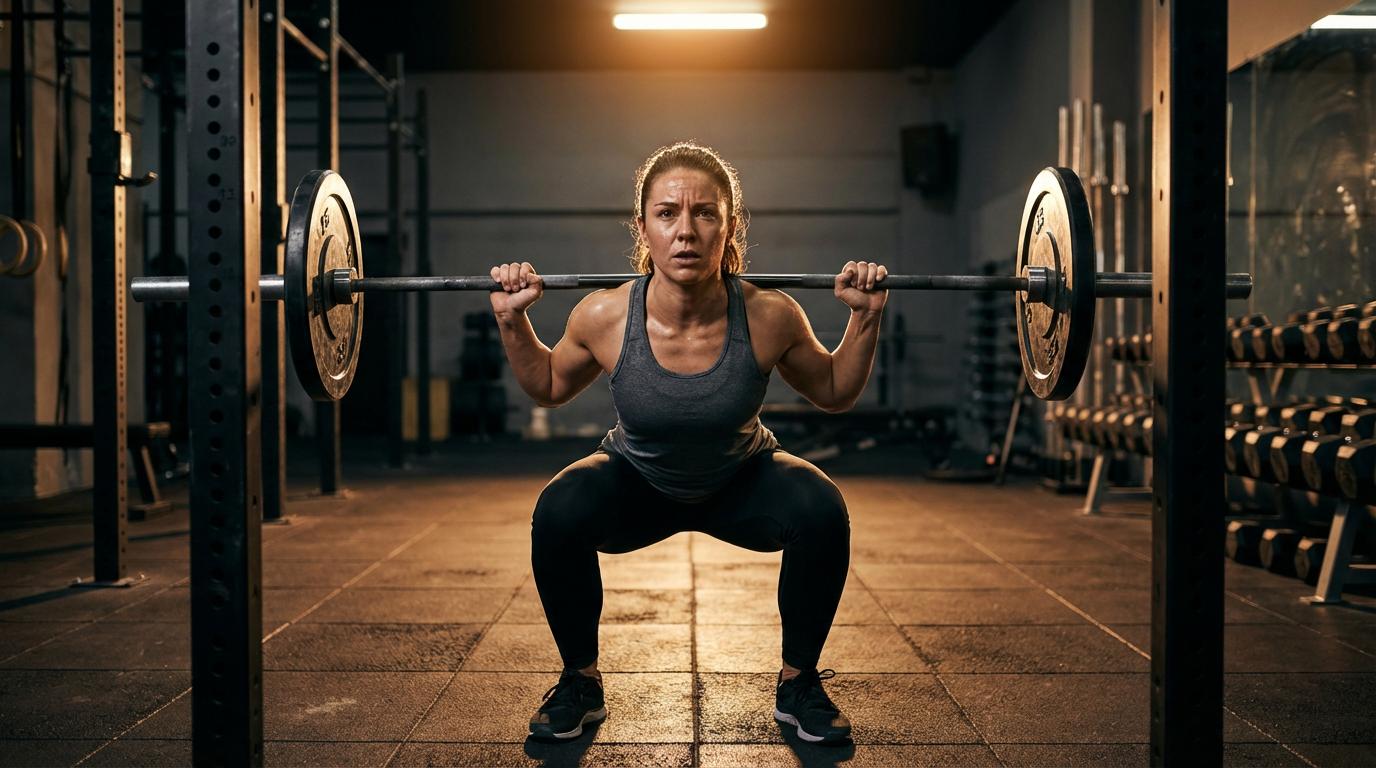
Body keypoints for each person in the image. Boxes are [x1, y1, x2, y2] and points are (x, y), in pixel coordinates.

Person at [489, 141, 887, 745]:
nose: (686, 231)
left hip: (741, 481)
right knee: (561, 505)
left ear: (729, 229)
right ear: (643, 227)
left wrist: (865, 318)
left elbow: (834, 389)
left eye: (705, 213)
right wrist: (513, 321)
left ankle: (798, 682)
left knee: (820, 505)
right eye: (668, 213)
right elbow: (546, 385)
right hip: (637, 483)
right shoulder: (603, 315)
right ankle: (580, 680)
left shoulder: (770, 314)